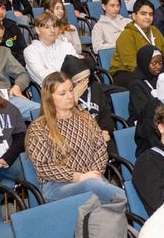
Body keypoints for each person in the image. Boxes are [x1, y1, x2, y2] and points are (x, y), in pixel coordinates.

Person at [25, 72, 122, 203]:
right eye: (62, 93)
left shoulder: (85, 116)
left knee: (97, 190)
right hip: (57, 186)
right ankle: (134, 203)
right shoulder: (39, 128)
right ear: (49, 98)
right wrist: (80, 177)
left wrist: (94, 173)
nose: (70, 96)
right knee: (96, 189)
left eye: (71, 90)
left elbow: (100, 147)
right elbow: (44, 167)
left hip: (92, 178)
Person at [110, 0, 164, 86]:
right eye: (143, 14)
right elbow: (130, 63)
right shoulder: (126, 34)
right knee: (145, 83)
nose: (148, 17)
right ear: (134, 16)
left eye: (151, 14)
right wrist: (154, 71)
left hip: (153, 68)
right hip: (125, 72)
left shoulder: (154, 30)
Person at [23, 12, 79, 85]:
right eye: (47, 27)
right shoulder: (31, 51)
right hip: (51, 91)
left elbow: (78, 69)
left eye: (55, 26)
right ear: (37, 30)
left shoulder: (67, 46)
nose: (52, 30)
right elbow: (45, 76)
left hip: (74, 85)